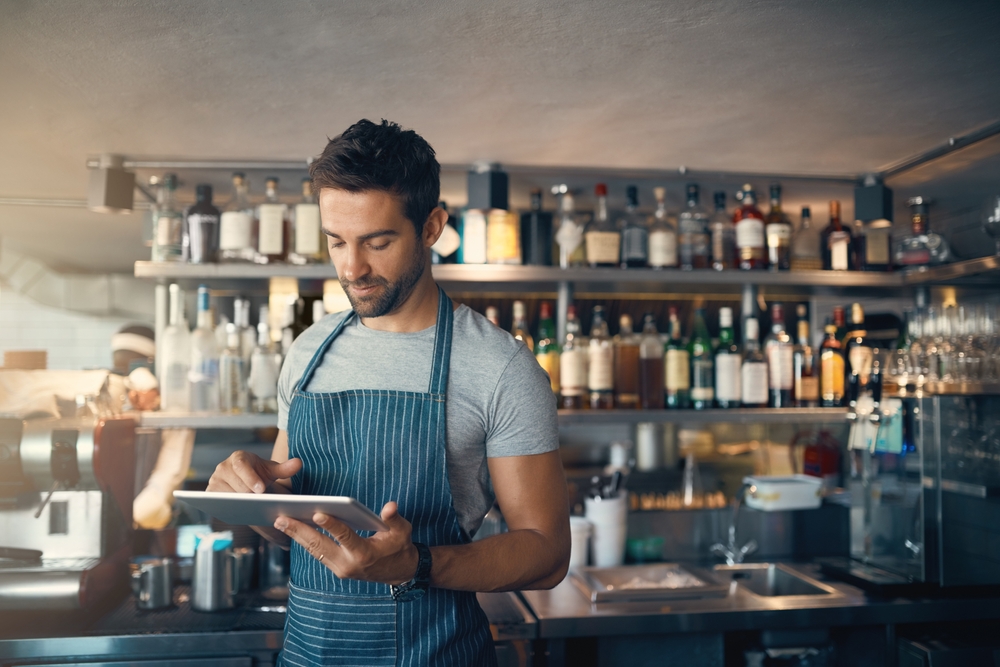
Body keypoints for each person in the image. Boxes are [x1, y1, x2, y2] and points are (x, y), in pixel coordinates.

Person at [208, 119, 570, 665]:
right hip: (309, 654)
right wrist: (250, 499)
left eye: (377, 242)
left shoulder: (499, 366)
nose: (352, 268)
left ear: (431, 227)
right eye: (337, 241)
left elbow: (547, 553)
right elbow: (295, 531)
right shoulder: (309, 352)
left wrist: (417, 563)